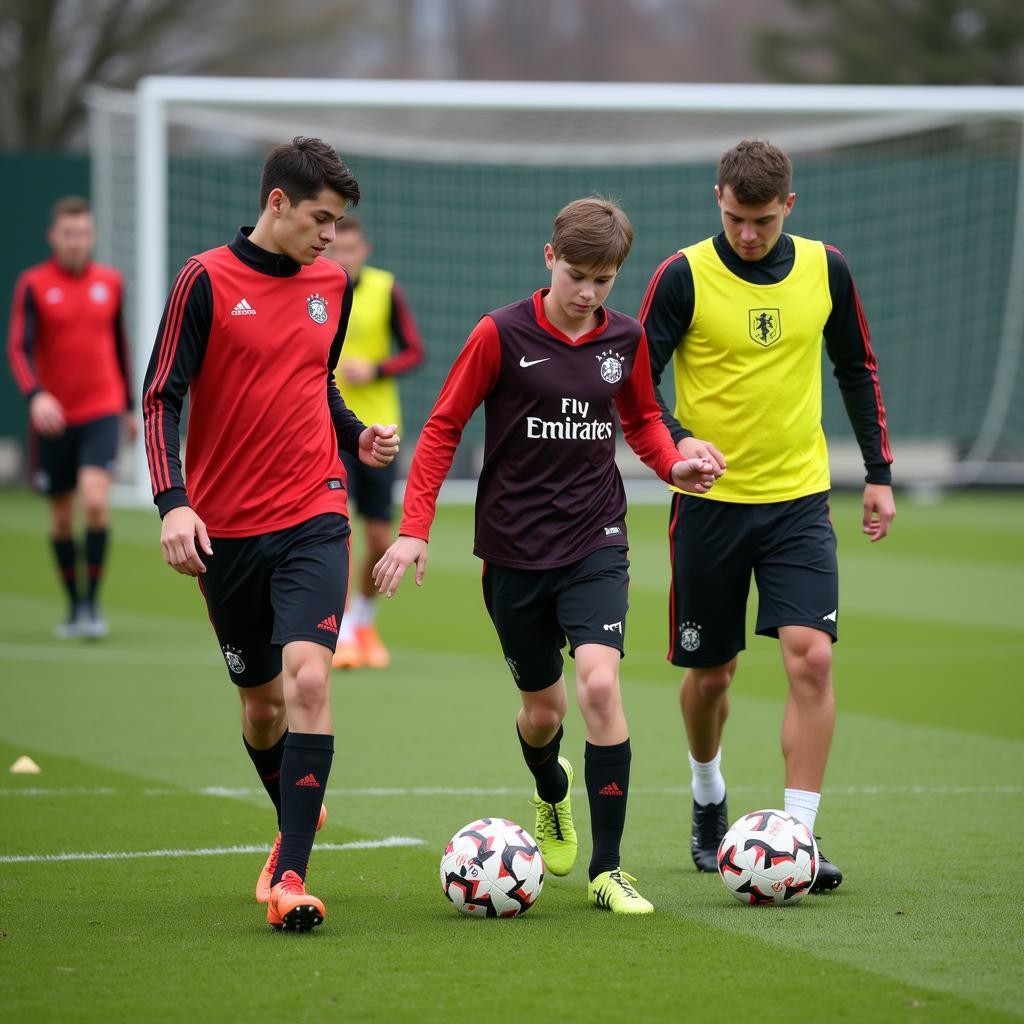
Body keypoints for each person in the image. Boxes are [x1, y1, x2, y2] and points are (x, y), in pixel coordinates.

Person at [373, 197, 716, 915]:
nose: (588, 293)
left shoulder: (624, 339)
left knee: (598, 686)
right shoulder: (499, 334)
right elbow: (440, 429)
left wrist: (672, 463)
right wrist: (413, 528)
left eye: (604, 279)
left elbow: (644, 418)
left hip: (597, 540)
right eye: (578, 275)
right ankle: (551, 792)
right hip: (513, 552)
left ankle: (609, 869)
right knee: (542, 712)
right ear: (549, 258)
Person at [141, 137, 399, 933]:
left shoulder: (332, 283)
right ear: (277, 204)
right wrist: (173, 503)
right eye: (321, 219)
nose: (331, 237)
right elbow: (159, 398)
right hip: (225, 530)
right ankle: (299, 804)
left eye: (340, 223)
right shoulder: (204, 279)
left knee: (310, 682)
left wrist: (352, 434)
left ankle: (290, 873)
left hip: (314, 512)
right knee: (260, 709)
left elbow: (313, 378)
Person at [639, 139, 895, 892]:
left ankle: (797, 838)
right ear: (717, 197)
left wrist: (878, 473)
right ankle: (707, 794)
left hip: (798, 501)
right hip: (710, 507)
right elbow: (636, 383)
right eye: (734, 217)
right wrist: (679, 439)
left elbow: (857, 368)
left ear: (790, 205)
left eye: (760, 220)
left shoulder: (827, 268)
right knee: (712, 676)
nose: (747, 234)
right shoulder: (683, 275)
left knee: (811, 657)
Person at [7, 196, 136, 639]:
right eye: (69, 234)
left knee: (96, 502)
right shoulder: (34, 284)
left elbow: (121, 345)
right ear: (53, 237)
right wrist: (36, 396)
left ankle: (94, 606)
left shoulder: (111, 282)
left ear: (92, 236)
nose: (76, 241)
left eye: (83, 233)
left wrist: (130, 408)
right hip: (54, 420)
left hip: (102, 410)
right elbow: (18, 347)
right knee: (62, 518)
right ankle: (75, 604)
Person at [324, 218, 425, 670]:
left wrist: (377, 369)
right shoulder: (316, 289)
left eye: (351, 248)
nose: (343, 257)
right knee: (333, 529)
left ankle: (361, 621)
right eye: (336, 249)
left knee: (381, 536)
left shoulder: (385, 289)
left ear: (364, 248)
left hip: (379, 431)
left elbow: (415, 351)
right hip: (327, 428)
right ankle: (337, 628)